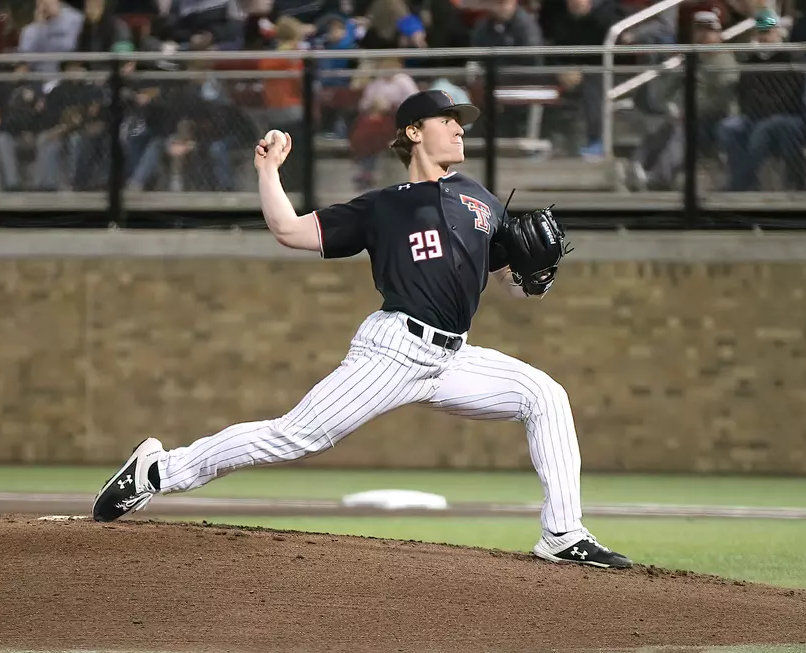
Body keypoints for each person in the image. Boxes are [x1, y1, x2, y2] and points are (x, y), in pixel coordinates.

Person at [91, 90, 634, 570]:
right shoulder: (383, 207)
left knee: (545, 394)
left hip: (454, 358)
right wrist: (268, 171)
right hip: (393, 351)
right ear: (414, 133)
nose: (460, 127)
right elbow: (288, 230)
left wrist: (534, 278)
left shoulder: (481, 200)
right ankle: (158, 472)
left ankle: (563, 534)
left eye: (460, 120)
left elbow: (509, 281)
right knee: (295, 435)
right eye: (448, 119)